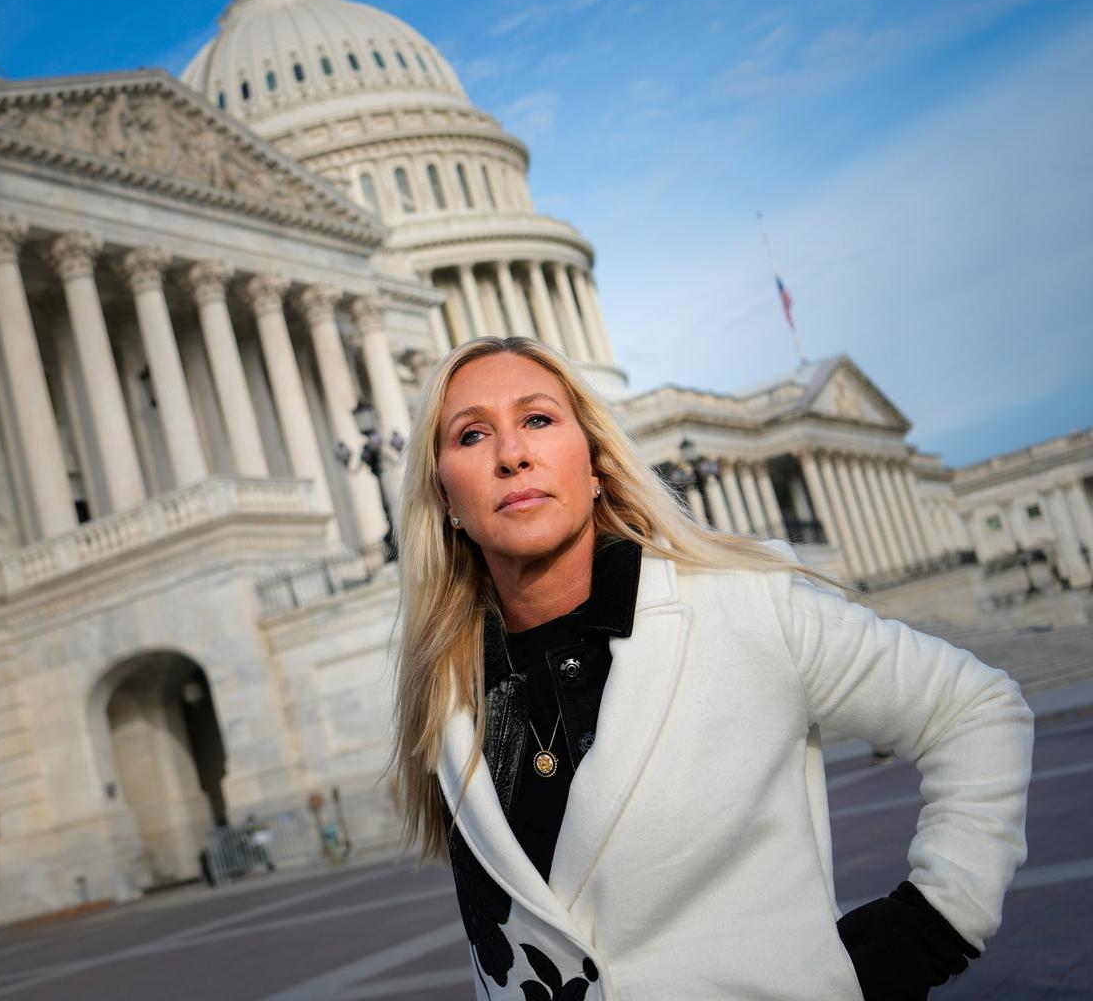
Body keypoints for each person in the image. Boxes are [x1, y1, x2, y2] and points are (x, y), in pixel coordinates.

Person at [389, 336, 1032, 999]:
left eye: (539, 420)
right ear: (443, 499)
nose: (511, 453)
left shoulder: (741, 606)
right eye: (471, 435)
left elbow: (976, 708)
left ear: (595, 465)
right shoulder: (448, 693)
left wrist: (935, 924)